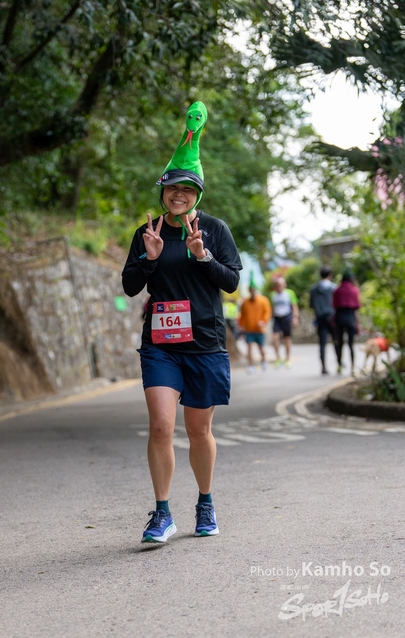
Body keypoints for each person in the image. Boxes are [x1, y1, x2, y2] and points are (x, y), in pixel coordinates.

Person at [122, 102, 242, 544]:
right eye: (173, 187)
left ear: (197, 195)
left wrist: (202, 256)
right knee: (160, 425)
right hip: (161, 344)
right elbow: (130, 286)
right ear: (164, 190)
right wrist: (150, 259)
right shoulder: (148, 232)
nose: (180, 195)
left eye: (188, 190)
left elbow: (231, 282)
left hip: (205, 342)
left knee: (198, 430)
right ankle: (162, 513)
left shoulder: (215, 229)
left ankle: (205, 503)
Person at [310, 265, 339, 375]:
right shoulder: (334, 288)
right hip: (332, 317)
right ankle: (339, 363)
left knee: (322, 343)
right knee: (336, 341)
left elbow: (312, 305)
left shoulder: (314, 289)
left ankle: (323, 366)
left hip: (320, 318)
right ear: (330, 275)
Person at [238, 283, 272, 373]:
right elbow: (242, 315)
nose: (252, 291)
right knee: (249, 346)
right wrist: (241, 325)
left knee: (261, 347)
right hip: (249, 329)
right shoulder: (245, 302)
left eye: (254, 289)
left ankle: (264, 360)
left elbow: (267, 312)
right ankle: (251, 365)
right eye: (251, 289)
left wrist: (263, 321)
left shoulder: (263, 300)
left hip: (259, 329)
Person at [333, 270, 361, 376]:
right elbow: (356, 306)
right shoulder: (354, 290)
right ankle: (353, 367)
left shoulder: (337, 290)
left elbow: (334, 305)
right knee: (351, 344)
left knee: (339, 343)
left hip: (339, 317)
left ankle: (339, 365)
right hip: (350, 318)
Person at [270, 277, 299, 368]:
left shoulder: (289, 293)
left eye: (281, 284)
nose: (280, 286)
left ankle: (287, 358)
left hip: (286, 317)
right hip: (277, 318)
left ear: (284, 285)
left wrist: (295, 317)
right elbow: (272, 307)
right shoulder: (272, 294)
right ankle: (278, 358)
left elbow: (294, 306)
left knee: (287, 338)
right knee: (275, 337)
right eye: (278, 285)